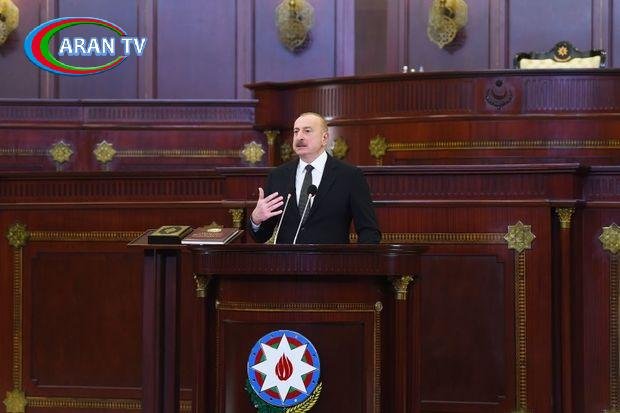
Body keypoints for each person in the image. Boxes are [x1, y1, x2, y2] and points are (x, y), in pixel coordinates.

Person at [249, 112, 381, 244]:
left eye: (307, 131)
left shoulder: (350, 176)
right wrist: (256, 219)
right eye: (296, 131)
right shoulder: (278, 176)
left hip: (331, 257)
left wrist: (360, 256)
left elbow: (369, 231)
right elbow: (262, 236)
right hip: (287, 257)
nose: (299, 137)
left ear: (324, 138)